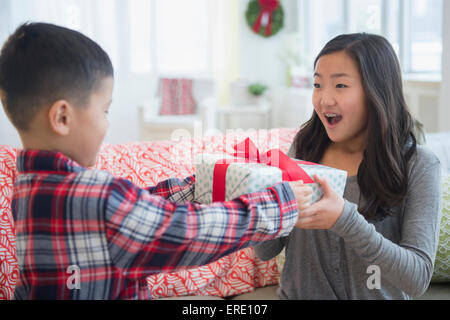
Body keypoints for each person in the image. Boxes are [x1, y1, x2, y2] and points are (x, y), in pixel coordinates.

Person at [0, 22, 312, 300]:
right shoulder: (100, 198)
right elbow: (190, 233)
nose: (107, 123)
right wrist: (276, 203)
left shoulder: (27, 189)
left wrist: (197, 189)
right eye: (104, 111)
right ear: (63, 117)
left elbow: (131, 212)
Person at [254, 33, 442, 300]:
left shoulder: (420, 165)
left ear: (376, 92)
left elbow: (417, 278)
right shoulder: (304, 149)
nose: (324, 100)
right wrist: (256, 204)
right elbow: (266, 250)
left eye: (340, 86)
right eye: (317, 85)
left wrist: (345, 220)